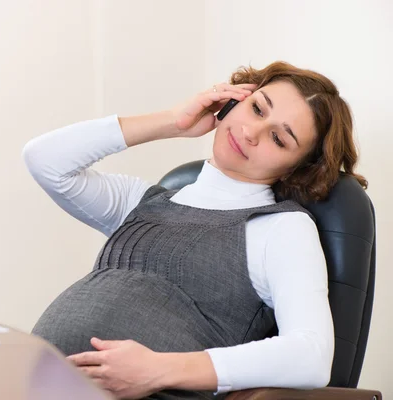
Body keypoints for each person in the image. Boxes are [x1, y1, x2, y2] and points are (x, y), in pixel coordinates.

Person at [22, 61, 367, 400]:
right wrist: (175, 122)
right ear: (233, 99)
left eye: (278, 139)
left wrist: (157, 369)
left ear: (296, 169)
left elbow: (312, 355)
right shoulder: (140, 201)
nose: (250, 133)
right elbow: (45, 160)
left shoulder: (281, 227)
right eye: (257, 109)